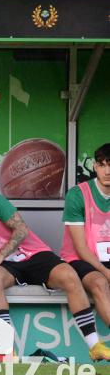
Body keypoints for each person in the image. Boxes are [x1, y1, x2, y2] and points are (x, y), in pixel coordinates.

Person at [0, 189, 110, 361]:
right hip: (5, 269)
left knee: (70, 275)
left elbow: (21, 228)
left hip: (32, 253)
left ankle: (94, 346)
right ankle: (6, 350)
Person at [61, 143, 110, 340]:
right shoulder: (78, 194)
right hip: (81, 258)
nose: (107, 171)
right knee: (99, 282)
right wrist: (106, 272)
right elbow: (81, 248)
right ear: (94, 166)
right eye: (102, 165)